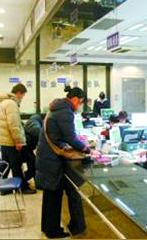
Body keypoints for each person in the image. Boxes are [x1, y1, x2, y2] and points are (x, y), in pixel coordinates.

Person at [35, 86, 100, 238]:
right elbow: (70, 137)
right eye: (81, 103)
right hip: (51, 160)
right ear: (76, 99)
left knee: (49, 196)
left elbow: (60, 135)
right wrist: (87, 149)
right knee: (54, 195)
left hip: (46, 156)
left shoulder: (58, 107)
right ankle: (53, 231)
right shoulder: (65, 112)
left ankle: (47, 227)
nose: (80, 106)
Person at [0, 83, 36, 195]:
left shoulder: (5, 102)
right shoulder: (11, 104)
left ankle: (3, 187)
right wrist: (18, 140)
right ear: (19, 93)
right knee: (16, 164)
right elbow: (13, 124)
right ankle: (22, 187)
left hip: (4, 138)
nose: (22, 98)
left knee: (5, 163)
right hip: (9, 140)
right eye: (23, 95)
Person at [23, 114, 43, 182]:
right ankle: (22, 182)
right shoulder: (34, 123)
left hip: (26, 148)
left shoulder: (32, 121)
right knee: (34, 167)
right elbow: (38, 132)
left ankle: (37, 183)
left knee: (34, 165)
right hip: (25, 149)